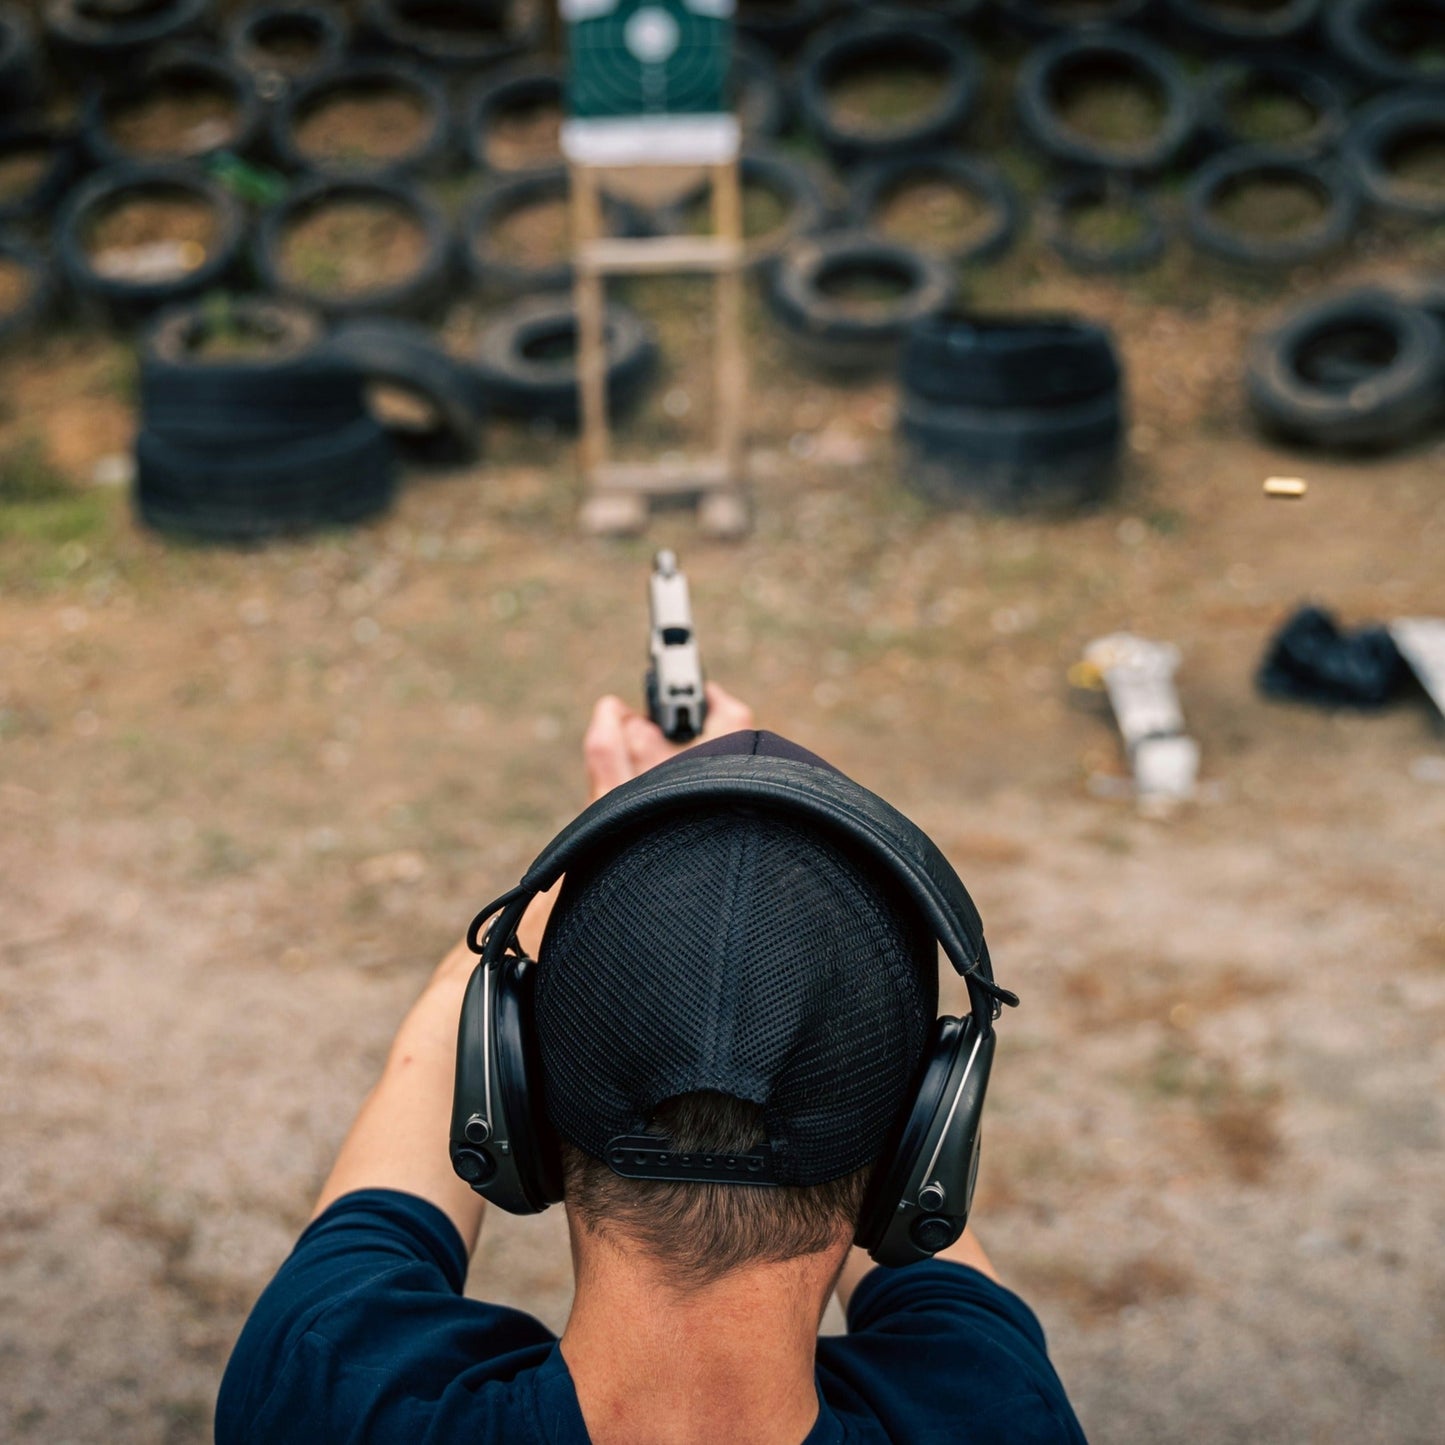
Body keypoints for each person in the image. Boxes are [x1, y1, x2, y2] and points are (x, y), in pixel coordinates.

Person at [217, 684, 1087, 1444]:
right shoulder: (1000, 1411)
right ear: (920, 1151)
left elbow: (428, 1067)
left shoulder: (324, 1395)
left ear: (513, 1100)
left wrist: (620, 828)